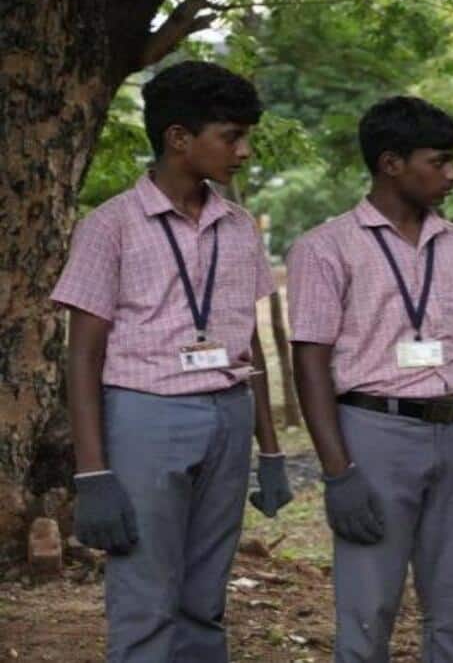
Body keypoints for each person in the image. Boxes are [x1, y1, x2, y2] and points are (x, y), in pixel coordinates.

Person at [50, 60, 293, 662]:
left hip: (229, 413)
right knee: (144, 595)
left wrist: (271, 449)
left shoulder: (238, 228)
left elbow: (250, 342)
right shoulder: (110, 227)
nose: (244, 152)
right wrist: (93, 473)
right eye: (231, 137)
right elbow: (82, 354)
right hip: (146, 414)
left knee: (205, 596)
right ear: (179, 139)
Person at [286, 95, 453, 663]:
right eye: (438, 162)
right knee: (370, 606)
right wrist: (337, 472)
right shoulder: (326, 248)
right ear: (391, 164)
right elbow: (310, 361)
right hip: (374, 432)